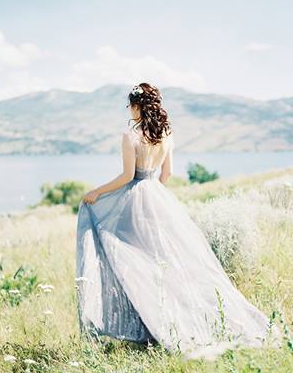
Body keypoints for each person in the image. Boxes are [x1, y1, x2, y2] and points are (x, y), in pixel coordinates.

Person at [76, 83, 274, 358]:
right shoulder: (167, 134)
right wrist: (154, 194)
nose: (129, 111)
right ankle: (173, 322)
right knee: (169, 264)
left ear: (137, 106)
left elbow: (126, 177)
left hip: (136, 199)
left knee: (134, 262)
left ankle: (149, 327)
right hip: (158, 197)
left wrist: (97, 192)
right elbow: (166, 175)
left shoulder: (130, 136)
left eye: (130, 106)